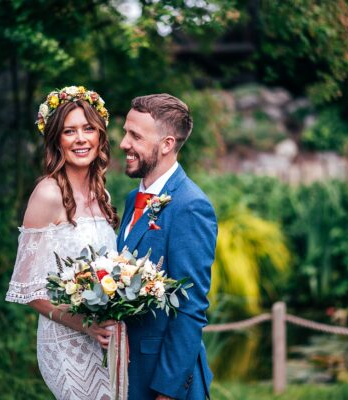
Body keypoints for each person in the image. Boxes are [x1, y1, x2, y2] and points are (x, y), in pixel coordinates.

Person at [5, 86, 119, 400]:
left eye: (88, 129)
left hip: (108, 341)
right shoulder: (47, 193)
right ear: (57, 140)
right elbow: (27, 289)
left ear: (100, 136)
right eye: (70, 131)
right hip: (67, 343)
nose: (81, 139)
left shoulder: (103, 196)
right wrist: (85, 325)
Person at [117, 94, 217, 400]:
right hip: (129, 372)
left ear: (166, 144)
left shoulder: (191, 206)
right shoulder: (133, 200)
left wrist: (167, 392)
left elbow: (191, 307)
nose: (123, 143)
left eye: (135, 135)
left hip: (164, 381)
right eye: (125, 132)